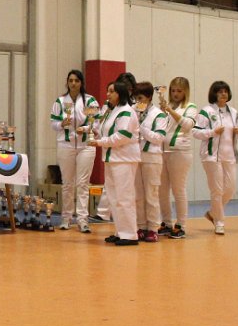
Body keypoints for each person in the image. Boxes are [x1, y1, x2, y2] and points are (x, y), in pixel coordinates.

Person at [192, 81, 238, 235]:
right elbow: (195, 132)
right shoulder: (206, 111)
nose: (223, 94)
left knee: (230, 189)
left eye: (225, 91)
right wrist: (212, 132)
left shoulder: (233, 112)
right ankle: (219, 222)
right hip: (211, 156)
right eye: (220, 91)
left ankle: (212, 213)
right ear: (214, 94)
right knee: (217, 190)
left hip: (230, 156)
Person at [90, 81, 141, 246]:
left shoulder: (127, 111)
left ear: (120, 93)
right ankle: (120, 231)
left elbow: (123, 136)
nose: (108, 94)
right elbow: (106, 132)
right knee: (113, 197)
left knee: (124, 197)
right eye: (107, 91)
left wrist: (100, 142)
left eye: (111, 91)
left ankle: (130, 234)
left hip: (124, 159)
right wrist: (93, 133)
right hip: (112, 158)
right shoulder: (113, 111)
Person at [50, 70, 100, 233]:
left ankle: (83, 220)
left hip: (86, 146)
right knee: (67, 183)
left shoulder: (90, 100)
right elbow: (53, 123)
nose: (73, 83)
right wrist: (61, 124)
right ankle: (66, 218)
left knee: (83, 183)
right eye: (70, 80)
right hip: (66, 145)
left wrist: (84, 129)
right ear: (67, 82)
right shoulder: (60, 101)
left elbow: (97, 123)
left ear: (81, 83)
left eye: (76, 81)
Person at [157, 77, 198, 239]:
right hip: (163, 151)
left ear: (185, 92)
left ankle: (181, 225)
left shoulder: (190, 107)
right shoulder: (167, 107)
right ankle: (166, 222)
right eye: (173, 90)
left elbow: (187, 125)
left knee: (178, 189)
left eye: (179, 91)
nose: (175, 94)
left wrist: (170, 111)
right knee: (162, 190)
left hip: (180, 151)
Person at [133, 82, 167, 243]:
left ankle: (153, 228)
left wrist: (141, 128)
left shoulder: (159, 115)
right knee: (138, 195)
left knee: (151, 194)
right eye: (136, 98)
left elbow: (158, 138)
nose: (137, 101)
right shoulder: (133, 111)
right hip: (135, 157)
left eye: (140, 98)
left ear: (148, 97)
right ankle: (140, 226)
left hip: (152, 158)